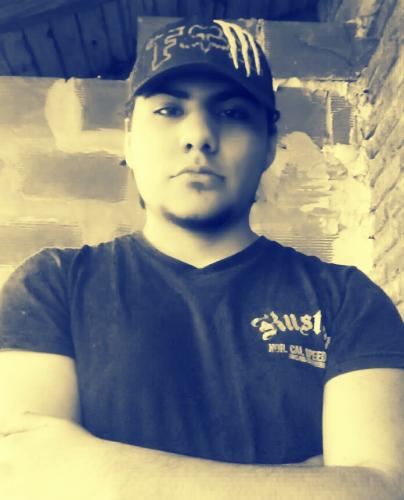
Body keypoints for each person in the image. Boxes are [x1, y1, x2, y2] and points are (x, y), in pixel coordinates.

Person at [0, 17, 403, 500]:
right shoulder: (53, 285)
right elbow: (24, 471)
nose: (198, 136)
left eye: (231, 112)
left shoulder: (346, 300)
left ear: (269, 145)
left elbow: (381, 488)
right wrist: (308, 480)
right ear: (129, 140)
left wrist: (92, 467)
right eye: (169, 110)